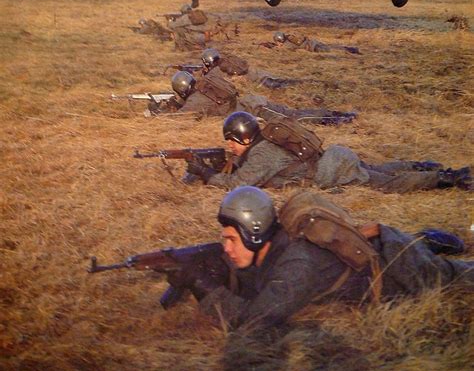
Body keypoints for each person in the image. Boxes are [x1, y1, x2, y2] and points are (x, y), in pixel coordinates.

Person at [166, 186, 473, 335]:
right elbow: (260, 284)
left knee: (456, 277)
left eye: (231, 239)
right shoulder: (276, 247)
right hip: (379, 249)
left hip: (399, 265)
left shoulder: (297, 265)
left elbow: (256, 321)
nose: (226, 248)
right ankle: (425, 240)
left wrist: (208, 290)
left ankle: (426, 242)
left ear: (254, 234)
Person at [186, 111, 472, 192]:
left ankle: (447, 178)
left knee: (386, 183)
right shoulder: (262, 144)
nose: (230, 146)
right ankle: (423, 165)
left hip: (332, 170)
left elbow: (239, 184)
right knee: (379, 170)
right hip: (334, 158)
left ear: (245, 138)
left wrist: (206, 174)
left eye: (232, 141)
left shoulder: (261, 155)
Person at [154, 71, 357, 126]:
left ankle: (339, 119)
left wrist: (160, 110)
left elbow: (178, 119)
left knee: (295, 119)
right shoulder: (203, 87)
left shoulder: (195, 101)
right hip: (253, 102)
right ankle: (336, 115)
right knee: (294, 114)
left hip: (256, 109)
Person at [201, 47, 310, 90]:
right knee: (287, 81)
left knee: (284, 87)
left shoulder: (216, 71)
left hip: (260, 83)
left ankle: (307, 84)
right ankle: (308, 82)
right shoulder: (226, 61)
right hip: (259, 74)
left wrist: (205, 74)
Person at [271, 31, 361, 54]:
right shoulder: (290, 38)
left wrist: (274, 47)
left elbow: (281, 49)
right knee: (333, 47)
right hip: (313, 42)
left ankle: (351, 50)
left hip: (314, 47)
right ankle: (350, 49)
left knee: (332, 50)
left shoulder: (287, 44)